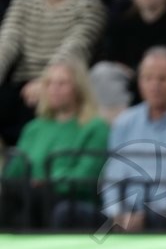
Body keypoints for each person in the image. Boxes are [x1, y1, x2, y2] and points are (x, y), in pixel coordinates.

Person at [0, 0, 107, 145]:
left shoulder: (90, 7)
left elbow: (76, 47)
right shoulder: (21, 3)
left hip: (62, 83)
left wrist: (46, 82)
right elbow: (6, 43)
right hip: (19, 85)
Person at [100, 47, 166, 231]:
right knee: (68, 213)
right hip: (123, 214)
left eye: (162, 79)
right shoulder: (124, 122)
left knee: (159, 220)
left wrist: (144, 216)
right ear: (140, 82)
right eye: (148, 78)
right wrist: (117, 213)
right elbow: (112, 178)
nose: (154, 85)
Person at [1, 55, 109, 229]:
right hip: (29, 195)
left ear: (78, 88)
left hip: (70, 199)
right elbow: (15, 171)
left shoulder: (95, 127)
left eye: (62, 84)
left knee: (37, 201)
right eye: (49, 83)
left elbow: (86, 175)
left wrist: (48, 180)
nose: (54, 89)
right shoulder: (33, 128)